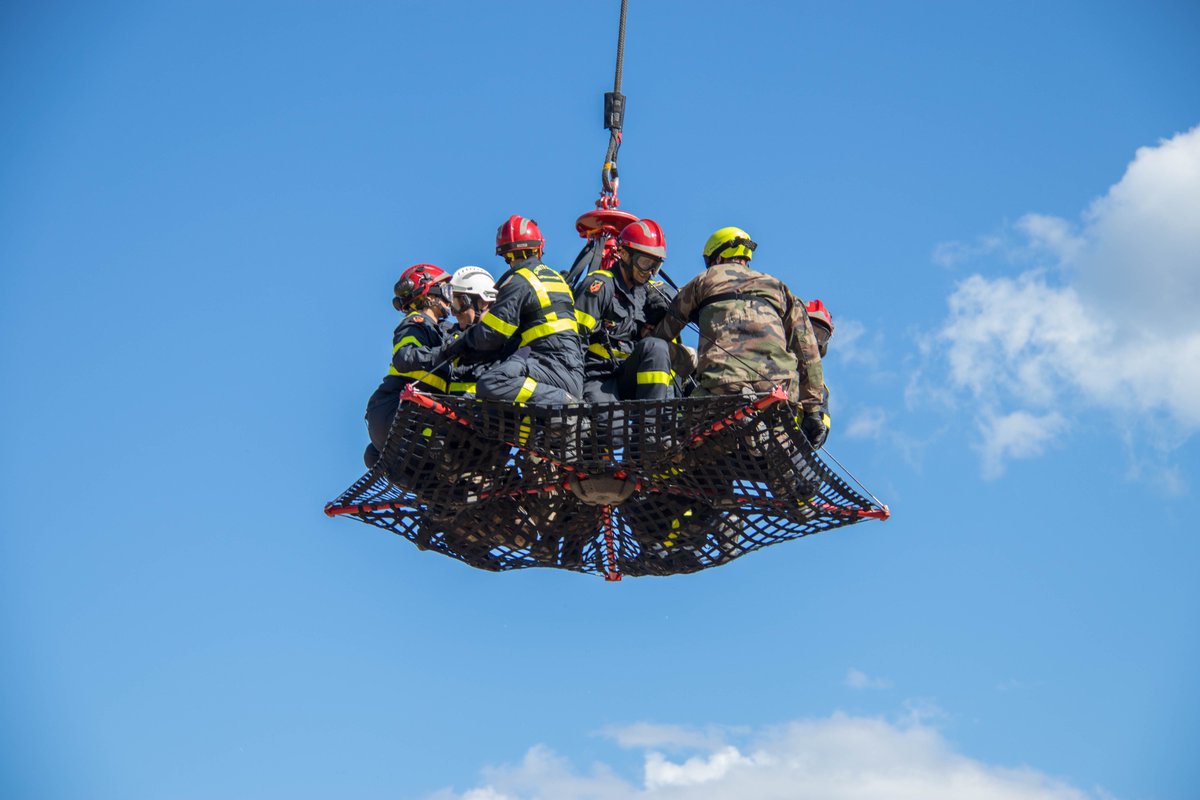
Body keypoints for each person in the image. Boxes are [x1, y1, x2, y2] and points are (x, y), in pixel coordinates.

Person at [651, 226, 827, 448]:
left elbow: (663, 334)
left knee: (680, 431)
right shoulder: (779, 287)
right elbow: (808, 352)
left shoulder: (704, 280)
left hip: (722, 390)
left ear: (718, 257)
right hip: (780, 394)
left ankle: (738, 418)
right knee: (779, 440)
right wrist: (813, 412)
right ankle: (765, 434)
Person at [438, 215, 584, 405]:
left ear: (508, 255)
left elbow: (490, 336)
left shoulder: (520, 281)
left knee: (492, 383)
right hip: (571, 370)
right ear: (539, 248)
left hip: (551, 369)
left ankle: (566, 403)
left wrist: (455, 347)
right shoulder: (555, 278)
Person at [574, 219, 676, 402]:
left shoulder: (648, 293)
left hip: (627, 374)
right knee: (612, 428)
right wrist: (571, 393)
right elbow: (574, 342)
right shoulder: (600, 286)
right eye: (645, 263)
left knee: (657, 347)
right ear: (624, 254)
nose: (649, 272)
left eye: (655, 266)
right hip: (598, 375)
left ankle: (653, 426)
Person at [363, 264, 454, 467]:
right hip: (396, 414)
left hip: (399, 420)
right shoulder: (416, 322)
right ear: (429, 296)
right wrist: (448, 350)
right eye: (446, 291)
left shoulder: (438, 331)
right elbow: (405, 357)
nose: (450, 299)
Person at [805, 298, 834, 438]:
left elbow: (824, 424)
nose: (814, 340)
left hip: (787, 446)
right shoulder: (772, 360)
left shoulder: (821, 390)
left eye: (820, 335)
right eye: (810, 331)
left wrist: (818, 434)